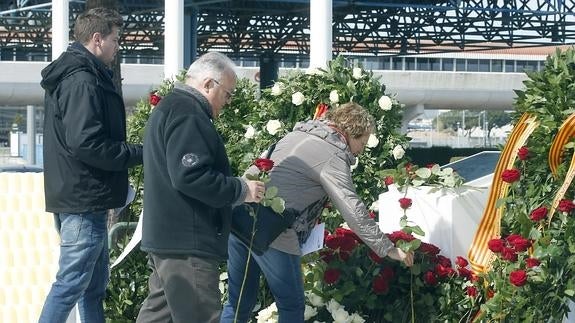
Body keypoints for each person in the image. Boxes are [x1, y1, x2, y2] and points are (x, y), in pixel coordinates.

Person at [221, 102, 415, 323]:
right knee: (292, 307)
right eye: (362, 141)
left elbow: (255, 171)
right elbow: (353, 208)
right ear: (351, 132)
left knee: (238, 304)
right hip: (273, 232)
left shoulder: (297, 135)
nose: (361, 149)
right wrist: (387, 249)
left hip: (241, 220)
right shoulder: (332, 154)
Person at [136, 52, 265, 323]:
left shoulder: (169, 108)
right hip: (188, 242)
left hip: (167, 238)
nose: (228, 103)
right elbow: (190, 176)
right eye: (227, 94)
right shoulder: (189, 113)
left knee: (157, 317)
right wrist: (241, 189)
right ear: (208, 84)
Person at [39, 7, 143, 323]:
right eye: (116, 39)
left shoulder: (81, 74)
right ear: (97, 39)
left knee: (92, 287)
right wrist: (139, 153)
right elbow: (87, 143)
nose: (118, 46)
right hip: (85, 198)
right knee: (71, 285)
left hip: (83, 196)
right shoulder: (82, 80)